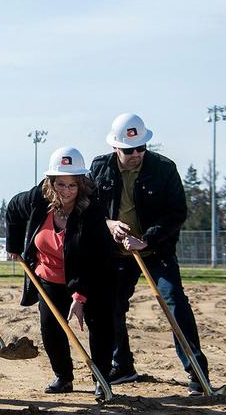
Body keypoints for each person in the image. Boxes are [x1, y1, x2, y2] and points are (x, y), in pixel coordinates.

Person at [89, 112, 213, 394]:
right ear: (115, 148)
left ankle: (196, 371)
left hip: (156, 250)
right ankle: (122, 366)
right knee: (112, 307)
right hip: (118, 253)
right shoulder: (100, 169)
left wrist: (147, 241)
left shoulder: (164, 169)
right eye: (129, 149)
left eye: (141, 148)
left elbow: (176, 212)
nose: (136, 154)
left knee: (175, 302)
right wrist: (108, 225)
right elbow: (89, 208)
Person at [6, 147, 114, 400]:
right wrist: (13, 246)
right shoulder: (37, 199)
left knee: (100, 327)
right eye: (61, 184)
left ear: (82, 184)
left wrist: (80, 297)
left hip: (89, 277)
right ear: (51, 183)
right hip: (48, 277)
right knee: (51, 327)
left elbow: (96, 260)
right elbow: (13, 208)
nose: (66, 191)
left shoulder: (92, 211)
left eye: (72, 185)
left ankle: (101, 378)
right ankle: (63, 377)